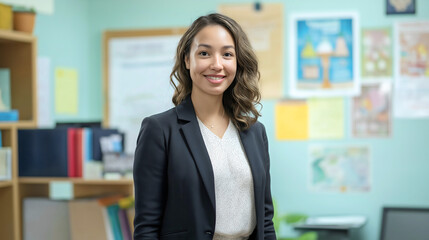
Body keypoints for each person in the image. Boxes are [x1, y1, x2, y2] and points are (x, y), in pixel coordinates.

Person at [133, 13, 276, 240]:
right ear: (188, 60)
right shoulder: (159, 130)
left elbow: (265, 221)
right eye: (204, 53)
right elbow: (147, 226)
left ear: (237, 62)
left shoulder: (255, 131)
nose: (216, 64)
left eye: (227, 54)